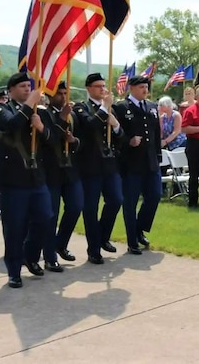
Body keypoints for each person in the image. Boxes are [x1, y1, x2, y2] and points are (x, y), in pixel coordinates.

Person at [0, 72, 54, 288]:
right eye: (23, 86)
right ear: (11, 90)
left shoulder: (38, 111)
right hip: (13, 179)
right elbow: (11, 125)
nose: (27, 89)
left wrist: (41, 128)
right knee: (15, 227)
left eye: (29, 85)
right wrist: (29, 105)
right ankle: (14, 270)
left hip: (37, 177)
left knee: (45, 218)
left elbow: (51, 141)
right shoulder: (0, 110)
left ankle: (30, 255)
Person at [74, 73, 125, 264]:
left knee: (116, 200)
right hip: (90, 165)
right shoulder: (81, 108)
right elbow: (88, 126)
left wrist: (117, 125)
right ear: (88, 88)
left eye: (104, 86)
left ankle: (103, 236)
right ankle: (93, 248)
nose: (103, 90)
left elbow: (121, 137)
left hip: (109, 164)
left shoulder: (110, 109)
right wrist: (104, 108)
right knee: (90, 208)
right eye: (98, 86)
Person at [113, 75, 163, 255]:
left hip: (150, 161)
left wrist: (158, 156)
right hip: (131, 162)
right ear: (131, 88)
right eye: (141, 87)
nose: (145, 90)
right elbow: (115, 134)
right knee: (130, 202)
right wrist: (128, 141)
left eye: (146, 87)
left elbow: (156, 133)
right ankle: (132, 240)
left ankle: (139, 228)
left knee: (155, 195)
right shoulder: (121, 107)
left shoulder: (151, 107)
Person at [39, 81, 80, 274]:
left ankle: (60, 243)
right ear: (49, 95)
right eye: (59, 93)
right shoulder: (42, 113)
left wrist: (73, 141)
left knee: (75, 206)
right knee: (51, 215)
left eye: (65, 92)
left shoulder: (70, 114)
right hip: (51, 169)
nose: (63, 97)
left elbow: (77, 141)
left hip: (69, 169)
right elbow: (50, 138)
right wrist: (62, 119)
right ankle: (49, 257)